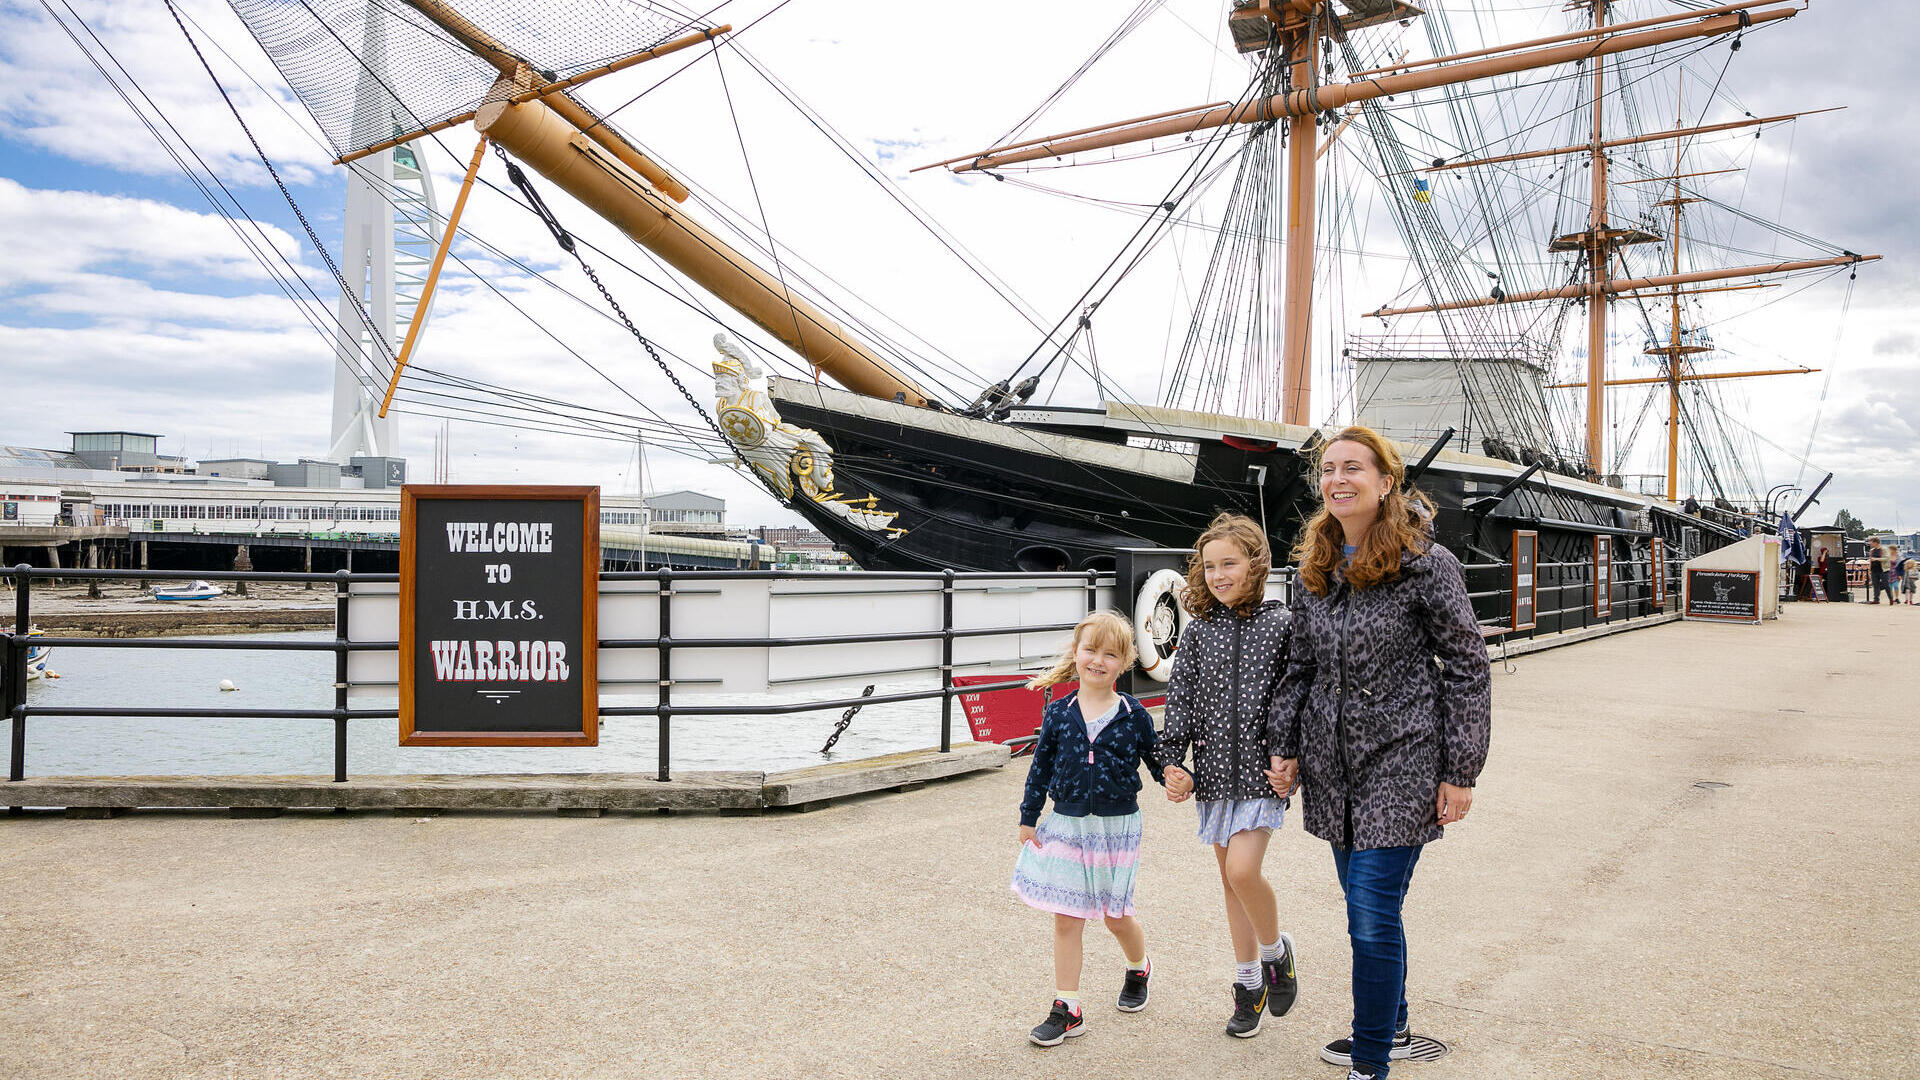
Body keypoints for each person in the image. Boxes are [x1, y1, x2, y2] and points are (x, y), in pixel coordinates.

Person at [1266, 426, 1492, 1080]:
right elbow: (1300, 669)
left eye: (1353, 468)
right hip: (1334, 771)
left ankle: (1370, 1063)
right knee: (1372, 911)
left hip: (1404, 762)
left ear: (1386, 481)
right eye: (1328, 469)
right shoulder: (1313, 568)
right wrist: (1283, 747)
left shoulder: (1427, 564)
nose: (1337, 479)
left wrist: (1460, 770)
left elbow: (1468, 668)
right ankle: (1390, 1026)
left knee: (1368, 921)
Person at [1159, 512, 1299, 1038]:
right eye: (1210, 566)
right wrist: (1174, 759)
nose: (1218, 575)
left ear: (1255, 564)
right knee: (1228, 882)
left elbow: (1294, 698)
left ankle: (1275, 953)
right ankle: (1247, 985)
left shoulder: (1281, 623)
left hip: (1264, 775)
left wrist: (1294, 761)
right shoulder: (1197, 633)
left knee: (1243, 872)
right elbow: (1182, 699)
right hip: (1215, 774)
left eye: (1230, 564)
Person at [1014, 611, 1170, 1047]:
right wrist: (1029, 817)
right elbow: (1040, 767)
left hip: (1118, 826)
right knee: (1068, 919)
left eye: (1110, 654)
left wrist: (1177, 778)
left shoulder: (1133, 713)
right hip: (1066, 823)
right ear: (1076, 654)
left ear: (1125, 662)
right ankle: (1068, 1007)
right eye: (1090, 650)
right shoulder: (1059, 713)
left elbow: (1156, 761)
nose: (1098, 660)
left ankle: (1139, 966)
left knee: (1115, 916)